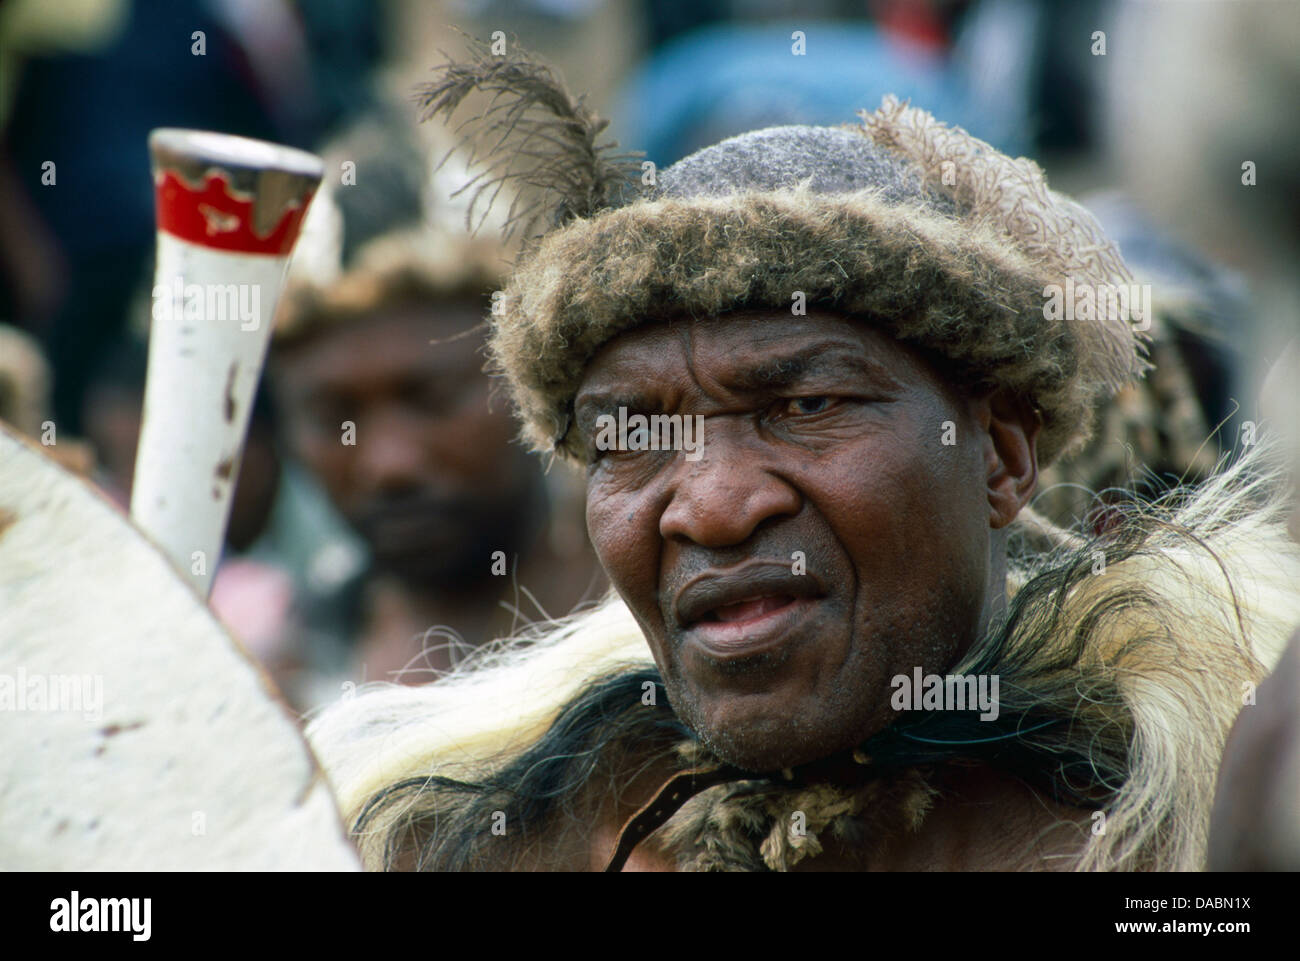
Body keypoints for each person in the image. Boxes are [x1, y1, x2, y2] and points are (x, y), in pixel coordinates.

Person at [306, 46, 1300, 871]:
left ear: (999, 455)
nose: (711, 507)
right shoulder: (479, 841)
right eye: (631, 437)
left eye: (806, 404)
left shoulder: (1203, 833)